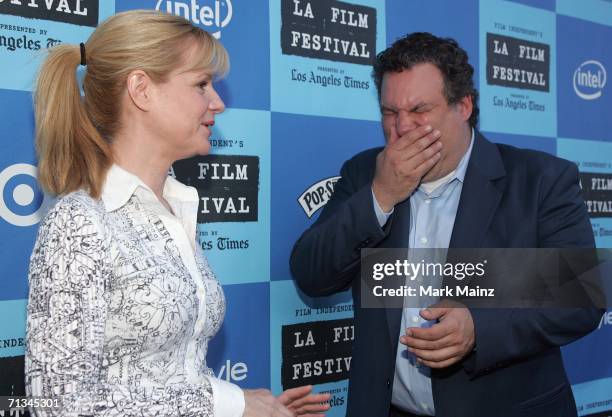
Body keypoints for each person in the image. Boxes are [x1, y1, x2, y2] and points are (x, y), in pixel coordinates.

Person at [25, 10, 329, 417]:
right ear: (141, 90)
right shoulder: (81, 221)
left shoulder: (176, 206)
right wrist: (230, 404)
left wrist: (256, 404)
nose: (218, 103)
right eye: (201, 84)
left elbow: (169, 374)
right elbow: (57, 406)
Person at [290, 32, 603, 417]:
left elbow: (582, 301)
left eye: (420, 109)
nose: (401, 128)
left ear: (464, 106)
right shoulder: (366, 173)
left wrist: (477, 329)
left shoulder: (539, 181)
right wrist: (381, 196)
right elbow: (312, 274)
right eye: (390, 112)